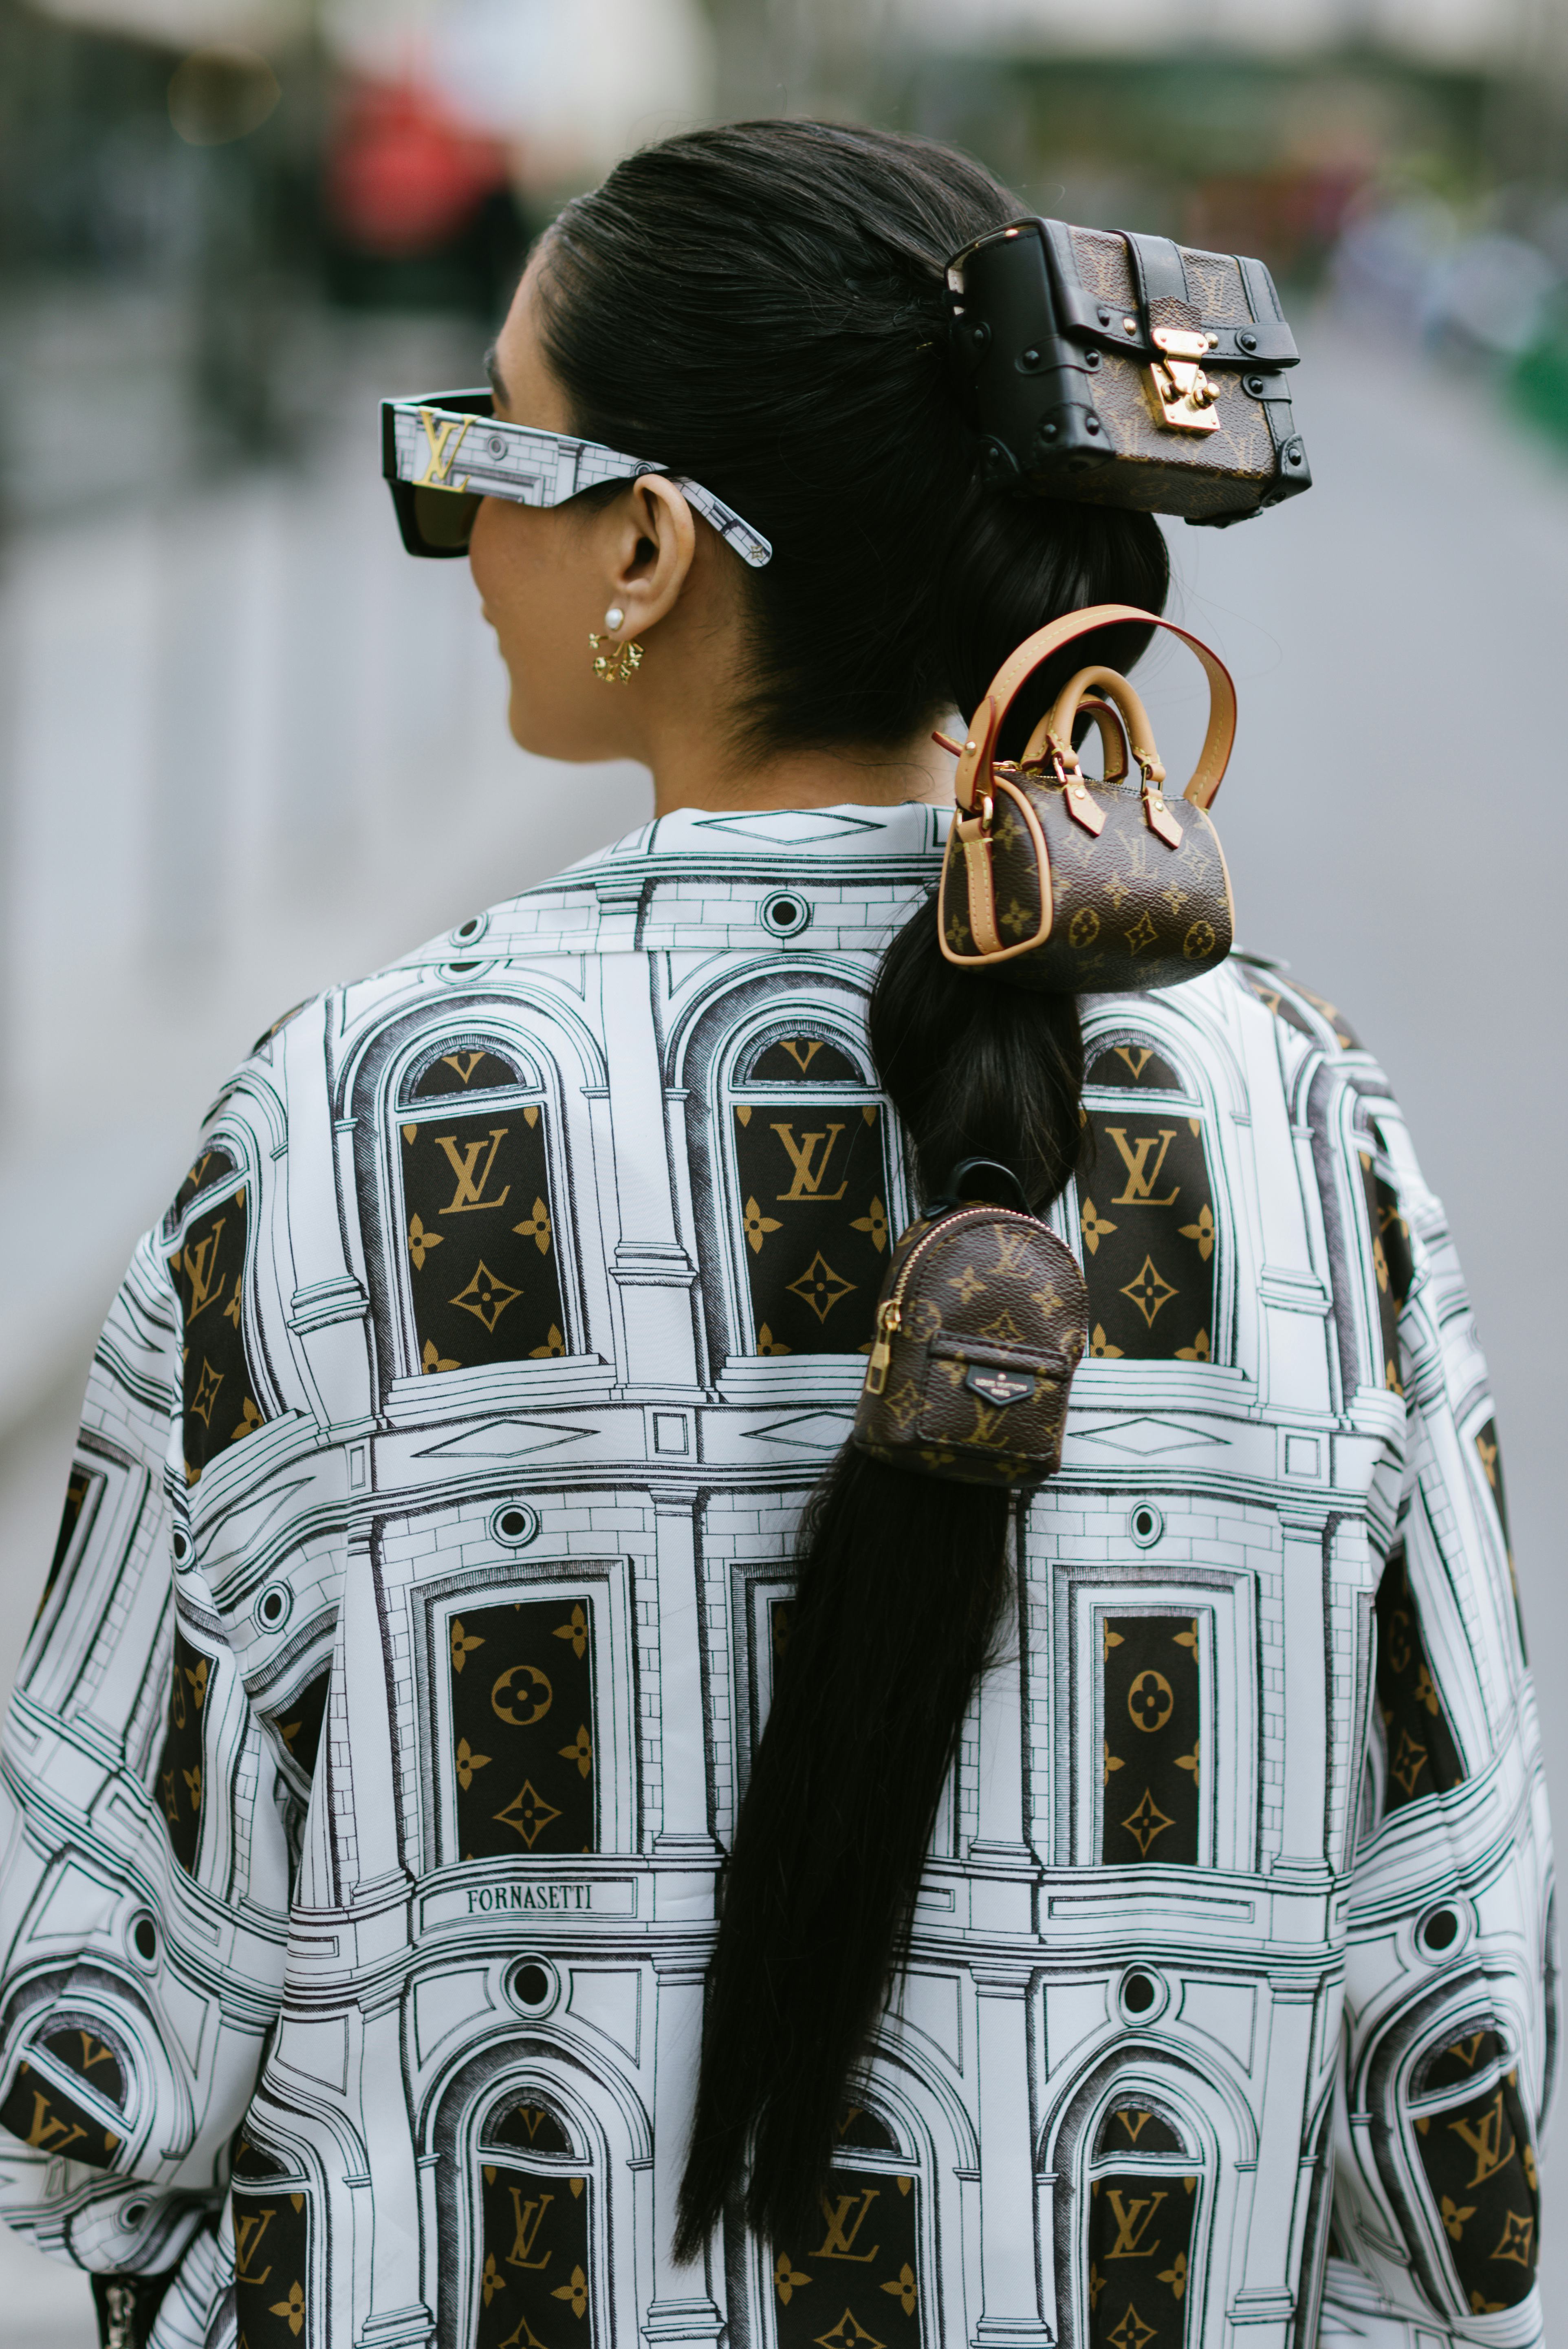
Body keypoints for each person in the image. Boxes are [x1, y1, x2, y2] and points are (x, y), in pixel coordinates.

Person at [0, 119, 1551, 2349]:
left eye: (488, 450)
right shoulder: (1314, 1120)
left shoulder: (355, 1119)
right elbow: (1456, 2097)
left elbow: (95, 2042)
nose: (455, 532)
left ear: (645, 546)